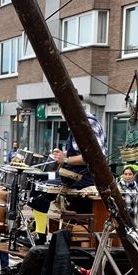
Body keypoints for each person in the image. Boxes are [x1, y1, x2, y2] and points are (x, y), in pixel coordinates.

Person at [29, 103, 106, 244]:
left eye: (62, 108)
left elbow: (94, 156)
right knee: (37, 180)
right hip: (72, 173)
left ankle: (40, 239)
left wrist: (65, 159)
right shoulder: (76, 123)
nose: (60, 112)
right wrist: (63, 154)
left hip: (86, 176)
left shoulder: (86, 124)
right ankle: (39, 233)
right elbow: (78, 152)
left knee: (39, 192)